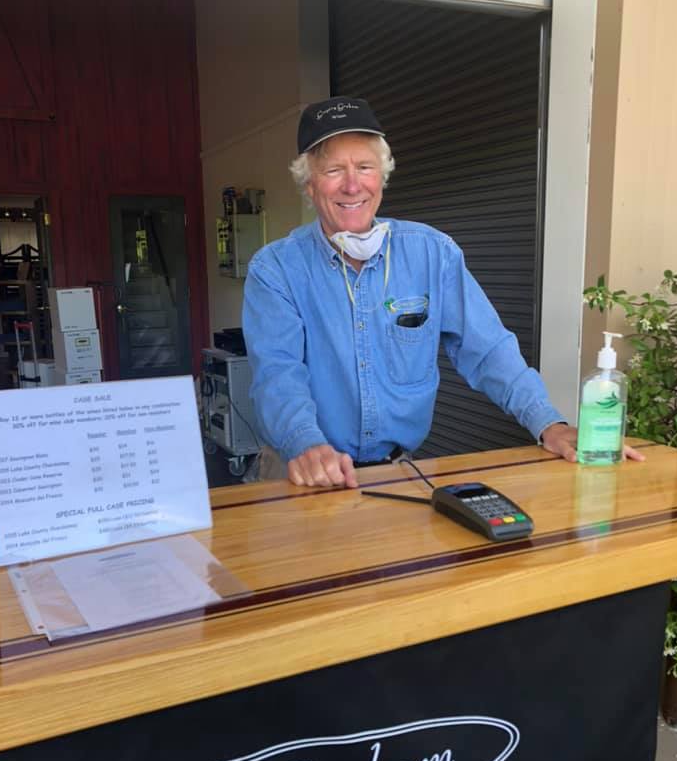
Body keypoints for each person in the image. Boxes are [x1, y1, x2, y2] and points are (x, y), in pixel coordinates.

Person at [242, 96, 643, 487]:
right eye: (333, 171)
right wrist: (306, 443)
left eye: (365, 167)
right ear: (308, 185)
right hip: (303, 472)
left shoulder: (432, 253)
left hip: (397, 473)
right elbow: (278, 373)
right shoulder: (276, 269)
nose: (352, 185)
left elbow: (487, 350)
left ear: (381, 177)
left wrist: (547, 423)